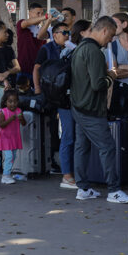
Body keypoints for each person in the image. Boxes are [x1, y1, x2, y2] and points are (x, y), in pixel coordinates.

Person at [70, 16, 128, 204]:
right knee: (107, 148)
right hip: (92, 109)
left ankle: (82, 188)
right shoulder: (95, 52)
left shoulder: (80, 48)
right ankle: (114, 190)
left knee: (81, 147)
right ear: (105, 31)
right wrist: (112, 76)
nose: (111, 40)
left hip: (78, 105)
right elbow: (99, 84)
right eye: (112, 35)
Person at [33, 22, 74, 184]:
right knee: (55, 129)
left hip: (66, 96)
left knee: (65, 132)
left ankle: (62, 165)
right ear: (54, 34)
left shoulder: (71, 48)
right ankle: (55, 164)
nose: (66, 35)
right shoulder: (46, 49)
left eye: (68, 32)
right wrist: (37, 88)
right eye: (64, 32)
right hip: (51, 94)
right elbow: (36, 68)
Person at [0, 90, 26, 185]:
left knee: (13, 156)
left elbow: (24, 124)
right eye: (10, 101)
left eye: (15, 101)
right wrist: (10, 120)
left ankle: (7, 173)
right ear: (5, 102)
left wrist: (21, 119)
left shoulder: (19, 111)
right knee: (9, 156)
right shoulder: (3, 112)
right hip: (5, 138)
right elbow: (2, 125)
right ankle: (5, 176)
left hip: (14, 137)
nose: (13, 104)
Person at [16, 3, 53, 82]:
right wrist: (46, 17)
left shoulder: (42, 30)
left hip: (38, 71)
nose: (40, 16)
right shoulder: (22, 24)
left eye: (42, 13)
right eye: (38, 13)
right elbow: (25, 23)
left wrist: (48, 21)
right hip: (23, 70)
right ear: (30, 13)